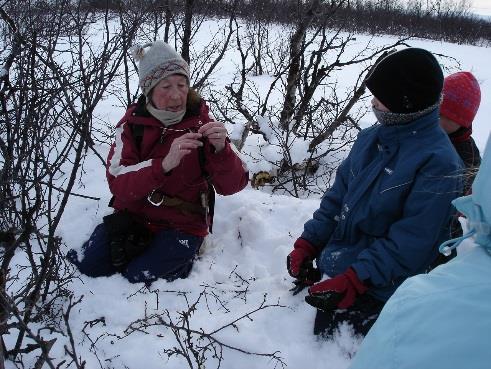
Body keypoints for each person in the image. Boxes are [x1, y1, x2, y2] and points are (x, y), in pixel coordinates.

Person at [286, 48, 464, 338]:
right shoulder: (370, 139)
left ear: (405, 104)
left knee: (325, 345)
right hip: (341, 268)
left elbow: (413, 242)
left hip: (384, 287)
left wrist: (356, 280)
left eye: (380, 99)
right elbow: (337, 198)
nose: (372, 104)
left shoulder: (440, 165)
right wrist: (309, 243)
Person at [67, 41, 248, 284]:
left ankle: (188, 256)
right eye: (166, 87)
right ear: (149, 90)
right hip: (134, 216)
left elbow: (234, 185)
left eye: (182, 85)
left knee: (138, 277)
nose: (176, 95)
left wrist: (220, 149)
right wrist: (163, 164)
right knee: (89, 267)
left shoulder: (203, 123)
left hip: (182, 225)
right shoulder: (132, 126)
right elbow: (118, 183)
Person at [348, 133, 491, 369]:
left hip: (398, 273)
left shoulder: (416, 304)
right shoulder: (375, 139)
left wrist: (358, 276)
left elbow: (416, 235)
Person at [440, 71, 482, 240]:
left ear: (462, 120)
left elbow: (462, 204)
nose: (435, 119)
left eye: (443, 115)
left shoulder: (467, 156)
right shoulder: (427, 134)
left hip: (446, 236)